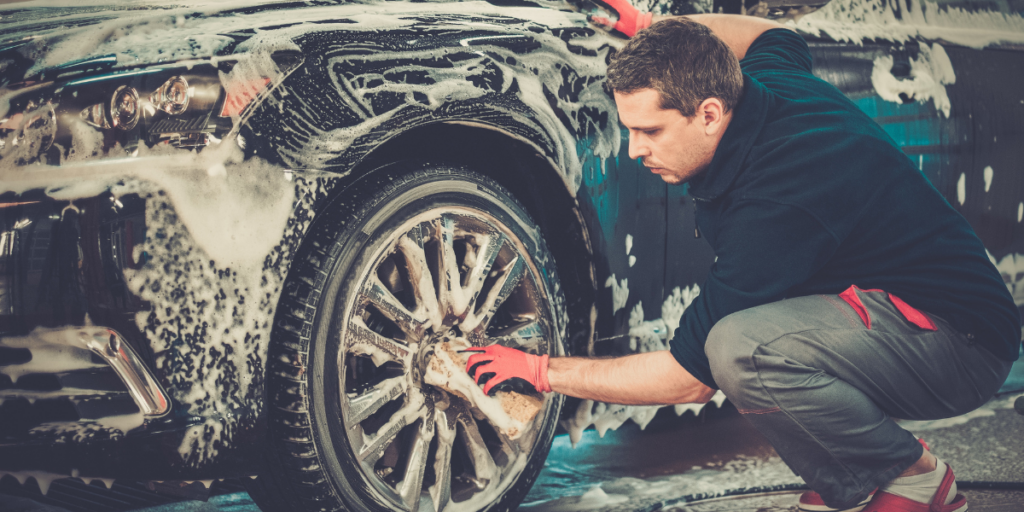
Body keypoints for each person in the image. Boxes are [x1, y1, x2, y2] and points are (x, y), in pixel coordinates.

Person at [464, 3, 1021, 512]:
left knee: (738, 348)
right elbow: (773, 33)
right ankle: (854, 483)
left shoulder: (777, 204)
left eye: (650, 131)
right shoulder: (764, 83)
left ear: (709, 113)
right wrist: (658, 32)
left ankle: (914, 479)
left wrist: (542, 372)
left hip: (961, 346)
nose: (634, 151)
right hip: (904, 313)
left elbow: (688, 380)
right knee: (742, 338)